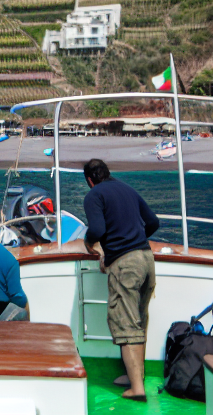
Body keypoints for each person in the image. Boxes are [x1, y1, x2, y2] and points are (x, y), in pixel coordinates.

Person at [83, 158, 160, 401]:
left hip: (126, 265)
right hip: (146, 259)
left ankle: (137, 388)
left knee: (126, 323)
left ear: (89, 180)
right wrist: (134, 240)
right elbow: (153, 222)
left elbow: (97, 230)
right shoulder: (128, 189)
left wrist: (88, 242)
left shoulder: (94, 195)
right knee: (139, 320)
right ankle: (134, 375)